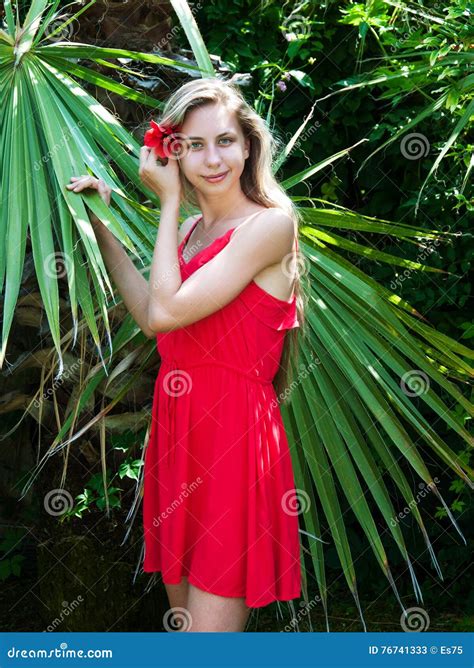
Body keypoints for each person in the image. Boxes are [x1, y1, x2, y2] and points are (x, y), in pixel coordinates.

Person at [66, 77, 307, 632]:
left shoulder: (271, 224)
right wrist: (101, 224)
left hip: (232, 439)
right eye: (193, 145)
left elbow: (167, 311)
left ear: (248, 146)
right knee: (182, 630)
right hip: (178, 430)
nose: (212, 158)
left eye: (224, 141)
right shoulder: (194, 230)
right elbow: (154, 320)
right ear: (173, 152)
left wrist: (169, 199)